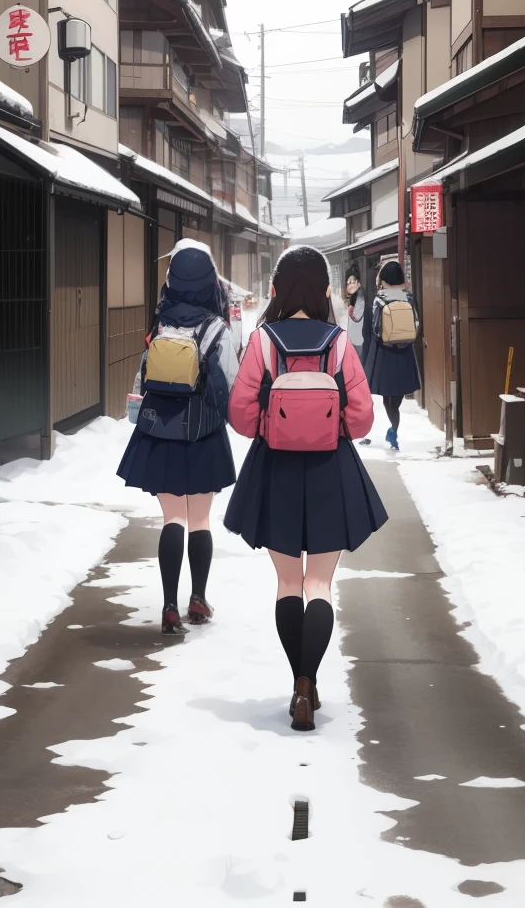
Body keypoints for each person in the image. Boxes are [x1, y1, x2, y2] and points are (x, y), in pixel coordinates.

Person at [224, 246, 387, 731]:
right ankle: (306, 682)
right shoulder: (339, 343)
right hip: (329, 471)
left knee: (287, 583)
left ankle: (296, 680)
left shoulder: (262, 341)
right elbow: (361, 418)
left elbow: (239, 412)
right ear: (324, 291)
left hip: (275, 470)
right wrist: (329, 426)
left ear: (277, 291)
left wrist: (272, 427)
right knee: (319, 585)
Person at [117, 241, 238, 635]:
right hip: (202, 433)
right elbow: (230, 383)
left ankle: (168, 604)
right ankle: (198, 599)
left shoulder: (160, 323)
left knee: (172, 518)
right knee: (199, 519)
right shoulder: (216, 327)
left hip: (160, 431)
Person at [365, 258, 421, 451]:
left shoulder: (379, 300)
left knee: (388, 396)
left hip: (385, 352)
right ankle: (394, 429)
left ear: (384, 279)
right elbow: (416, 323)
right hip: (405, 352)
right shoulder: (409, 298)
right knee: (397, 395)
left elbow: (375, 328)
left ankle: (393, 428)